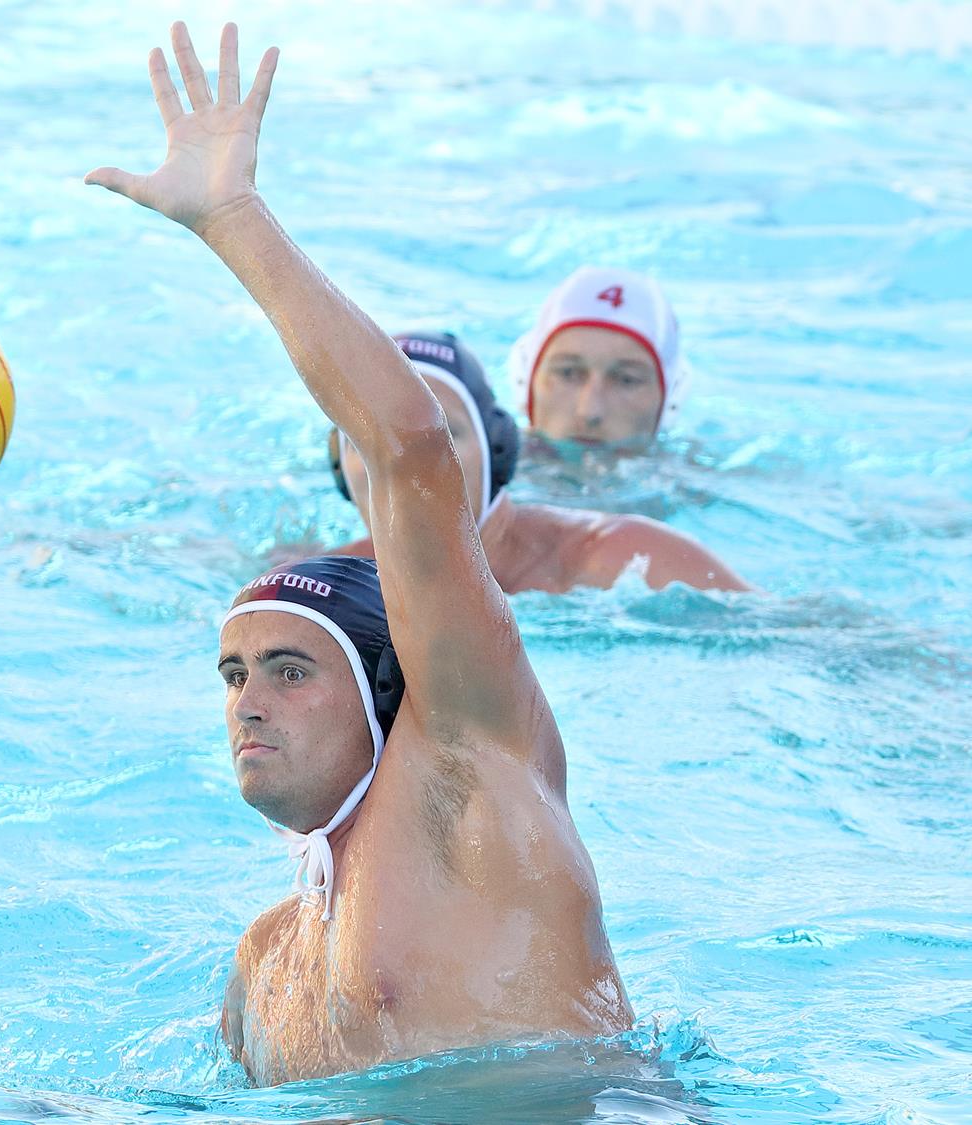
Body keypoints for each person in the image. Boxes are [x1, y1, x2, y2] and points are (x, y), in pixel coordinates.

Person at [88, 22, 634, 1085]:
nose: (247, 702)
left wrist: (231, 219)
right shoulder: (264, 963)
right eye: (235, 673)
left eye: (290, 672)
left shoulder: (469, 784)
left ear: (392, 694)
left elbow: (408, 450)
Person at [327, 330, 751, 593]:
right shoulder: (320, 589)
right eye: (367, 435)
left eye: (441, 433)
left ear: (498, 453)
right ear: (340, 466)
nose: (404, 457)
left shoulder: (623, 558)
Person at [508, 266, 689, 448]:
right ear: (526, 383)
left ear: (670, 400)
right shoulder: (485, 467)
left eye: (627, 380)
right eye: (568, 373)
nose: (589, 412)